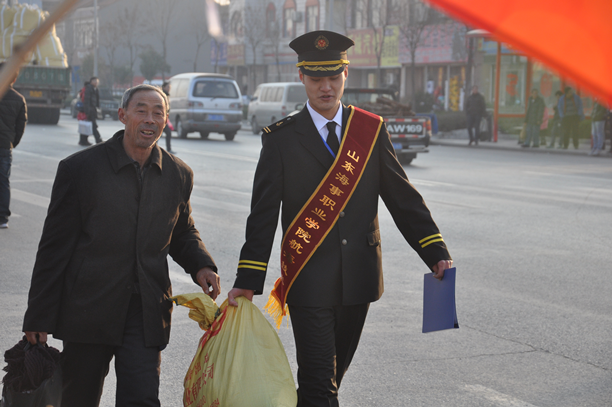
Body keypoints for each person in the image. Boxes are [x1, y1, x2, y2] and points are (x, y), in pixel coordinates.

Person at [227, 31, 452, 407]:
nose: (326, 87)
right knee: (321, 386)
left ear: (346, 74)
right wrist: (248, 279)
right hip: (308, 277)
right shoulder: (281, 139)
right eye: (316, 79)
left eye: (333, 77)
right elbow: (262, 215)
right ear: (301, 77)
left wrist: (435, 252)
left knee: (326, 381)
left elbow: (403, 199)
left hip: (359, 277)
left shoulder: (369, 130)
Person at [22, 84, 221, 407]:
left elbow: (182, 230)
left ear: (166, 121)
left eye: (158, 112)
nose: (150, 119)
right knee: (79, 399)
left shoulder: (177, 174)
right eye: (141, 110)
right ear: (122, 115)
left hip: (145, 309)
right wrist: (38, 316)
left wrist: (202, 265)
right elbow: (54, 249)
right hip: (88, 308)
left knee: (142, 397)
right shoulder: (81, 169)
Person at [0, 62, 27, 229]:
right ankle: (3, 218)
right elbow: (20, 127)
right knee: (3, 182)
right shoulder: (19, 99)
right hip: (5, 146)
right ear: (14, 79)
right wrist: (12, 143)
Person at [80, 76, 103, 145]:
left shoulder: (95, 89)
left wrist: (98, 108)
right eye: (94, 81)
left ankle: (83, 140)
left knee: (88, 125)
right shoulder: (89, 88)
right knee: (93, 126)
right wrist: (87, 112)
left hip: (93, 110)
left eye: (97, 81)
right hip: (90, 110)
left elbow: (97, 100)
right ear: (91, 82)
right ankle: (98, 140)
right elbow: (86, 101)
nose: (96, 82)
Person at [161, 81, 174, 153]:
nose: (169, 88)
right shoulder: (162, 95)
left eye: (170, 87)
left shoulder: (167, 95)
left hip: (165, 118)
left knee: (168, 133)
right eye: (168, 87)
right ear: (164, 87)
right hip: (161, 118)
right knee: (158, 135)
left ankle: (169, 149)